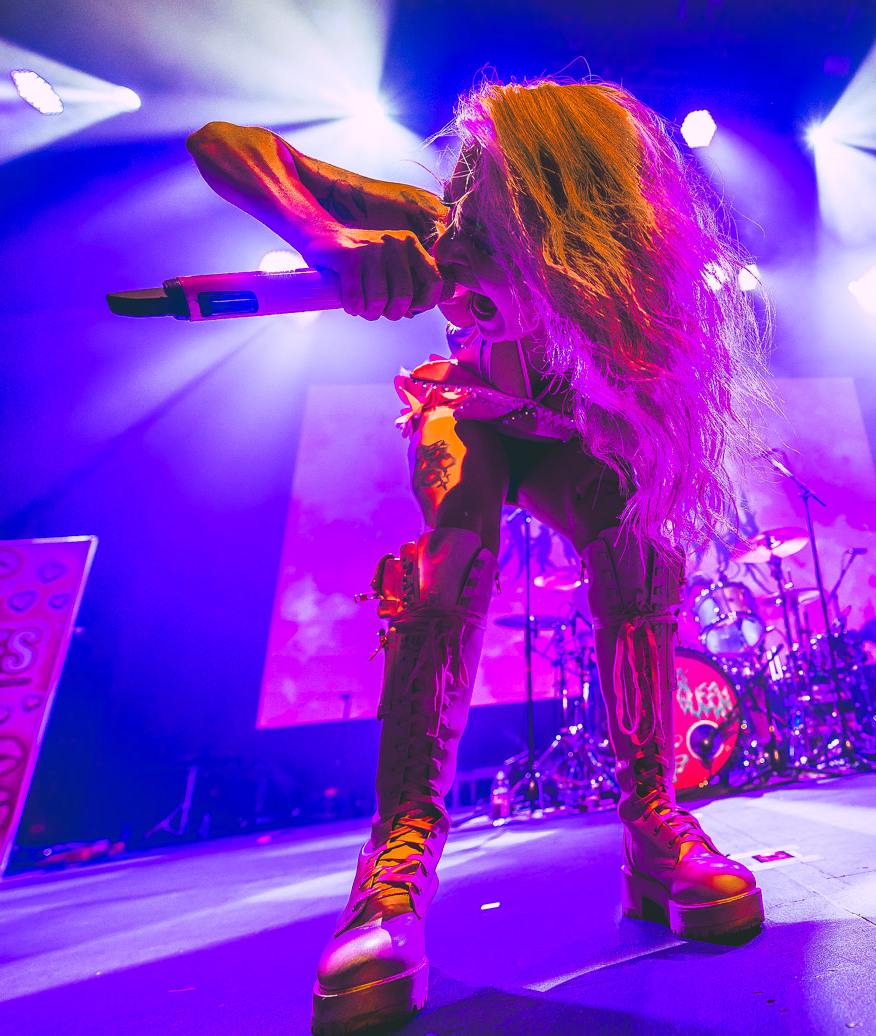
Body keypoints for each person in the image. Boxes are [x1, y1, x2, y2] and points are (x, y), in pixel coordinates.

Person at [187, 77, 774, 1034]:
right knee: (454, 533)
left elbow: (631, 413)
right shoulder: (439, 222)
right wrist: (324, 237)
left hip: (576, 433)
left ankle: (653, 829)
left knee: (641, 554)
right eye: (462, 181)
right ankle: (396, 864)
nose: (455, 197)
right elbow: (224, 140)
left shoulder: (629, 274)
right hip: (477, 415)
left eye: (480, 183)